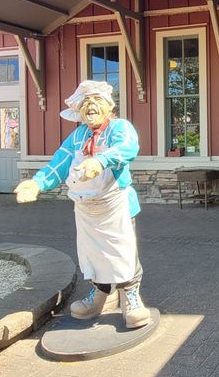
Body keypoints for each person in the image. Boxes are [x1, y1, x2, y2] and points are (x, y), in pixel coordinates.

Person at [13, 80, 150, 329]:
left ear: (109, 106)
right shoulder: (78, 136)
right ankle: (98, 295)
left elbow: (128, 147)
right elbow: (60, 161)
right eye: (86, 103)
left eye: (96, 101)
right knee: (92, 254)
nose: (91, 107)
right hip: (86, 209)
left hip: (115, 206)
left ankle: (131, 297)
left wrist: (100, 161)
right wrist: (37, 183)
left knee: (123, 251)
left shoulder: (120, 127)